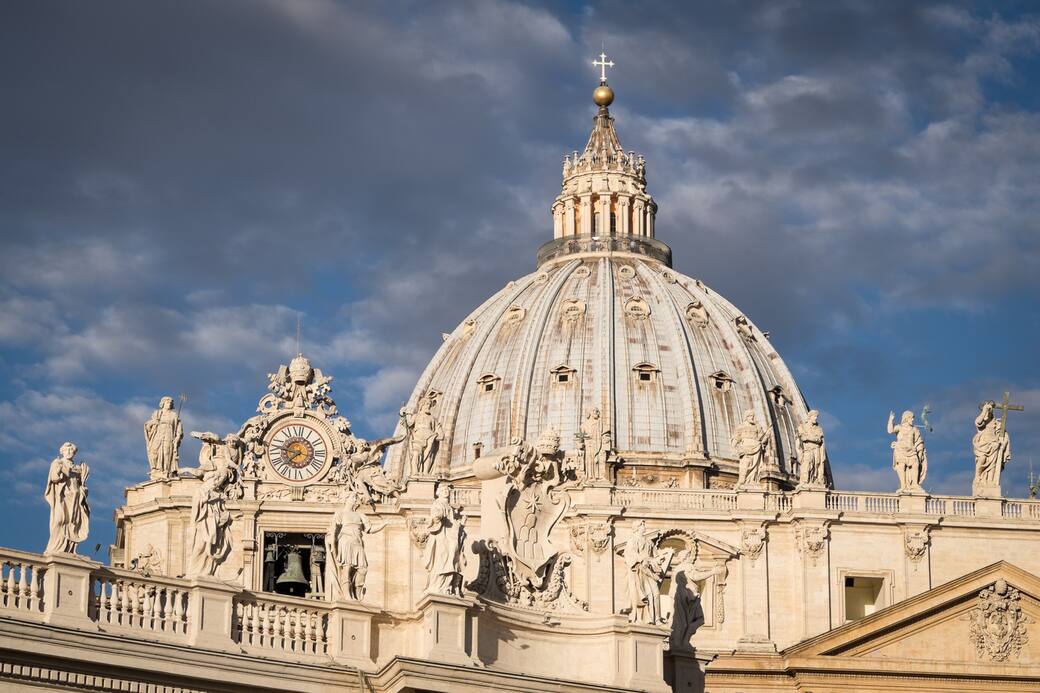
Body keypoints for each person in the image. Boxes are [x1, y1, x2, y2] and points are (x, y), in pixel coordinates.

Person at [327, 492, 385, 600]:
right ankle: (347, 595)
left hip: (357, 543)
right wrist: (333, 546)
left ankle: (357, 595)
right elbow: (334, 530)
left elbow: (370, 529)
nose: (355, 499)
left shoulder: (360, 515)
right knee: (347, 567)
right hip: (346, 541)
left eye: (356, 498)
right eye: (353, 497)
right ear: (347, 498)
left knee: (363, 569)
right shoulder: (340, 514)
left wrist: (383, 524)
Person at [44, 442, 90, 554]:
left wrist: (83, 487)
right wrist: (59, 471)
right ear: (62, 452)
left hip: (75, 498)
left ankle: (69, 549)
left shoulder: (78, 468)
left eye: (72, 451)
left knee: (73, 522)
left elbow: (81, 483)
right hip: (63, 497)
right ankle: (55, 548)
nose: (69, 452)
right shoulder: (58, 462)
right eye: (67, 450)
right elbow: (54, 478)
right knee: (59, 520)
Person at [423, 484, 466, 596]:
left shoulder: (451, 508)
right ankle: (439, 585)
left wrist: (460, 525)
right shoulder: (437, 504)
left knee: (452, 557)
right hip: (442, 536)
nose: (446, 491)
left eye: (447, 489)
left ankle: (448, 584)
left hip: (451, 536)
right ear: (438, 492)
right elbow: (435, 515)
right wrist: (437, 517)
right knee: (442, 558)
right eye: (443, 490)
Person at [144, 396, 182, 480]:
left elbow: (179, 430)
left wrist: (177, 437)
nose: (169, 404)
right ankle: (155, 470)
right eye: (168, 402)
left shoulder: (174, 415)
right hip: (158, 433)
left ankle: (165, 471)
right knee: (154, 451)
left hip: (169, 433)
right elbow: (148, 425)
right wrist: (153, 422)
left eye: (171, 403)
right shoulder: (157, 413)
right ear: (163, 403)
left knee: (167, 453)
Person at [888, 410, 927, 492]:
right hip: (900, 450)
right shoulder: (900, 427)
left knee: (915, 464)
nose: (912, 420)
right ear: (907, 418)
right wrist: (891, 419)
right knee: (901, 466)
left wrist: (920, 448)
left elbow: (918, 441)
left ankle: (915, 485)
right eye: (911, 418)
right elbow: (890, 430)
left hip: (912, 451)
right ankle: (903, 486)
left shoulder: (915, 430)